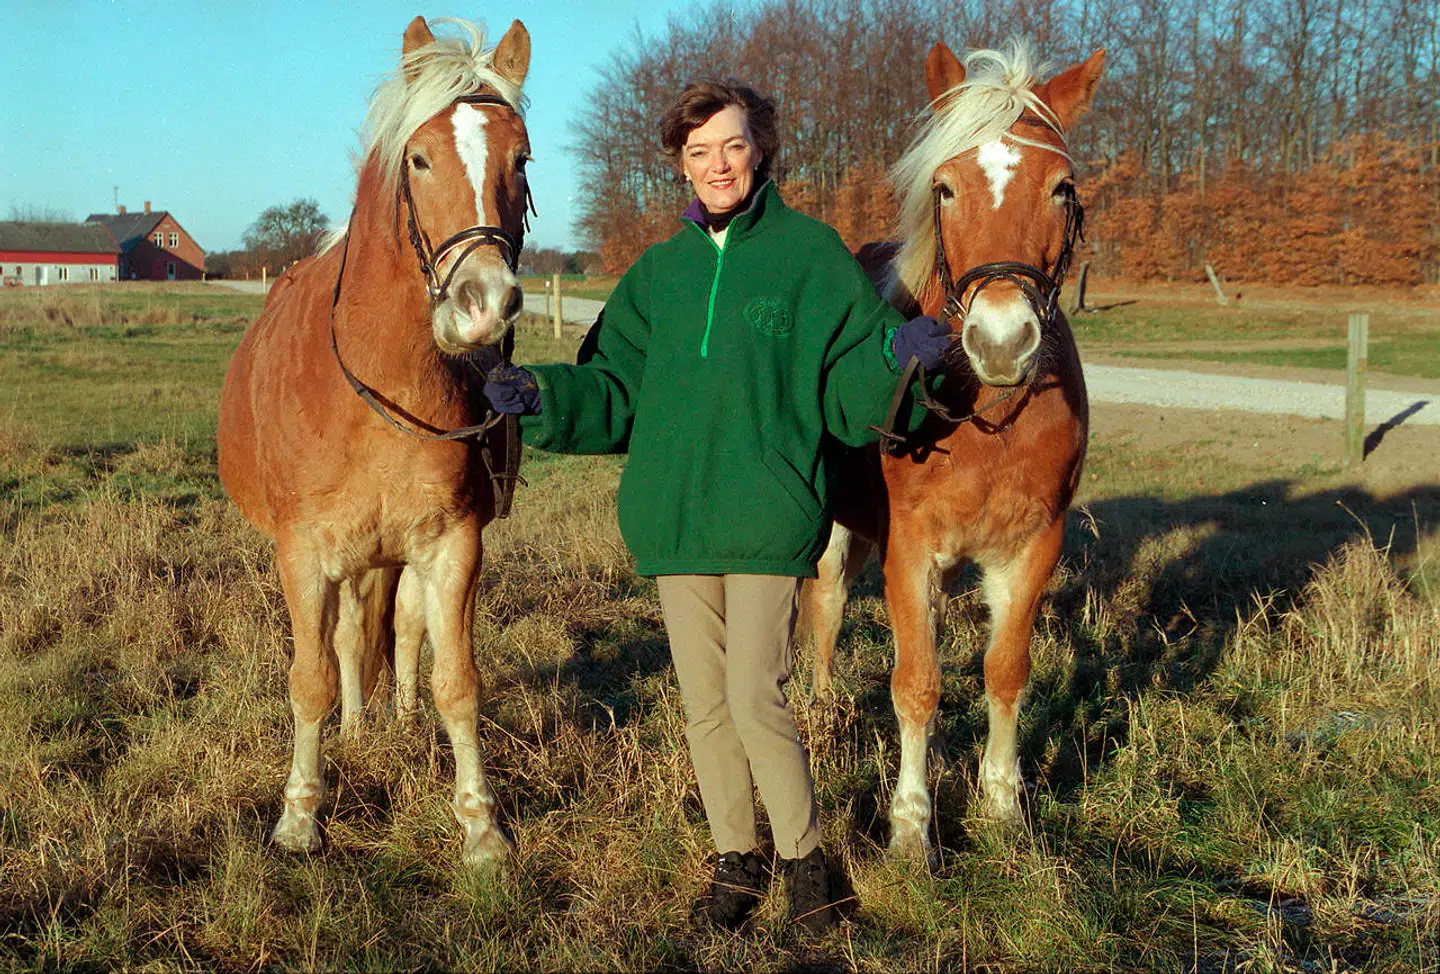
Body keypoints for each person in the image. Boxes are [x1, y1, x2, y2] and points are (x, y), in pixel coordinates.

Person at [484, 80, 950, 935]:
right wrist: (542, 395)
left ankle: (808, 867)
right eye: (699, 152)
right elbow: (615, 388)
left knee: (753, 697)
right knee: (704, 705)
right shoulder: (658, 274)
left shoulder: (811, 257)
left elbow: (848, 390)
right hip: (675, 520)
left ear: (759, 148)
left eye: (732, 146)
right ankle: (737, 859)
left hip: (770, 517)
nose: (718, 165)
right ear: (681, 165)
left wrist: (897, 358)